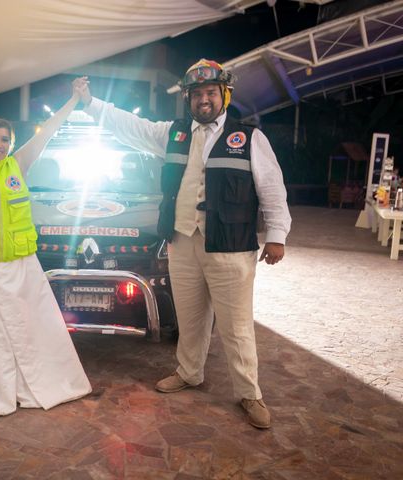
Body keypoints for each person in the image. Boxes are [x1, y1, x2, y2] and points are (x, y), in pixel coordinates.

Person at [79, 60, 291, 429]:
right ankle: (189, 373)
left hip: (231, 247)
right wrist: (93, 104)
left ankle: (249, 393)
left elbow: (272, 188)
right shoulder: (172, 133)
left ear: (224, 95)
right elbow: (132, 126)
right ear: (189, 99)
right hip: (182, 241)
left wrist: (277, 236)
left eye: (211, 93)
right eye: (197, 94)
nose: (204, 100)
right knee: (190, 319)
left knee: (236, 326)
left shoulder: (250, 138)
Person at [0, 78, 92, 416]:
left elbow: (49, 131)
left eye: (5, 140)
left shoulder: (20, 165)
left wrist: (73, 100)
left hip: (22, 264)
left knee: (29, 325)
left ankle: (34, 383)